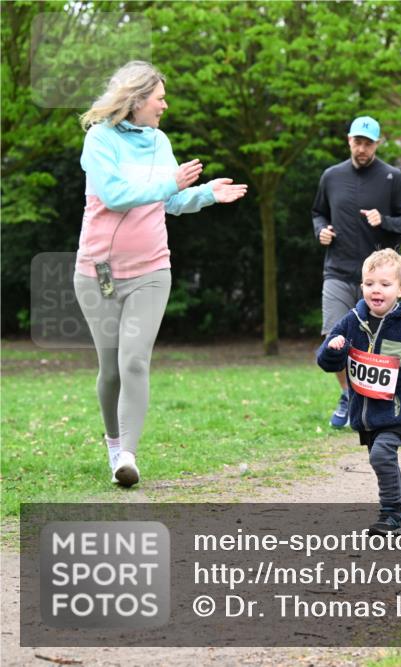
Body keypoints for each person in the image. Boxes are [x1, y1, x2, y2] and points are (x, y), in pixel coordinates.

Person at [74, 61, 247, 487]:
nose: (165, 106)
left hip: (152, 269)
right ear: (135, 100)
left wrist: (205, 194)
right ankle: (113, 444)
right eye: (160, 98)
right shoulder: (99, 140)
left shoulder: (159, 141)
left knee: (134, 360)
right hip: (99, 272)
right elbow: (115, 195)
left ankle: (128, 457)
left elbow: (170, 201)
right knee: (110, 368)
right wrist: (170, 183)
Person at [316, 249, 401, 535]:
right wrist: (333, 349)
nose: (377, 290)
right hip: (366, 410)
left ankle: (390, 514)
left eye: (385, 285)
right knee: (381, 454)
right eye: (370, 283)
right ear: (361, 286)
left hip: (399, 409)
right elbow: (325, 361)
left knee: (381, 454)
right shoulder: (351, 321)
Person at [312, 116, 401, 428]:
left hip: (381, 277)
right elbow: (318, 212)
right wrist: (321, 230)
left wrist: (384, 221)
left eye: (368, 143)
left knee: (390, 338)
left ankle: (388, 398)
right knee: (334, 335)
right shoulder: (331, 176)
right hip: (338, 269)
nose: (362, 148)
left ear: (377, 144)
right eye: (357, 142)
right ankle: (347, 395)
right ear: (348, 140)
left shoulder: (392, 177)